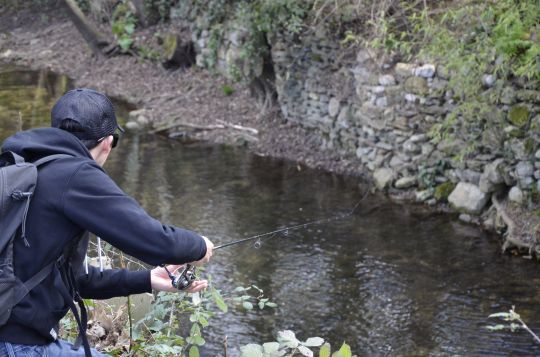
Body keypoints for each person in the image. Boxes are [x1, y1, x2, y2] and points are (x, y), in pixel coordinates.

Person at [0, 88, 214, 356]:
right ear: (107, 142)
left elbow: (75, 280)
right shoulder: (75, 174)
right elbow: (155, 240)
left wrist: (148, 279)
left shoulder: (27, 166)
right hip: (18, 344)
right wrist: (198, 246)